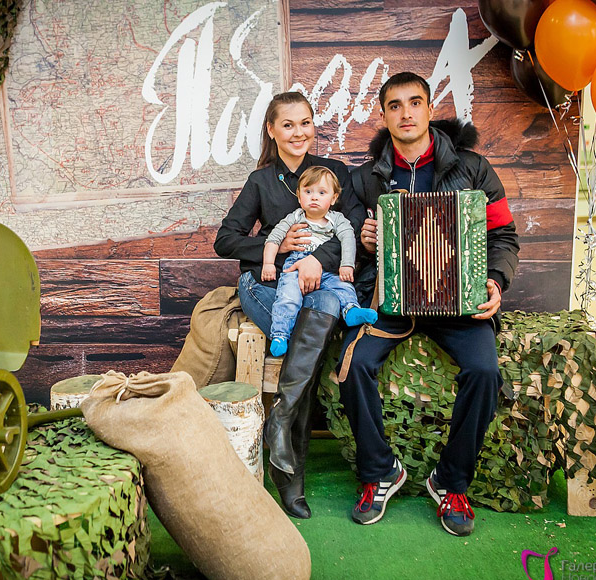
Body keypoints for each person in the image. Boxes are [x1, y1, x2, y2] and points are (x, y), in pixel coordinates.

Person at [341, 72, 520, 536]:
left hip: (456, 302)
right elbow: (351, 245)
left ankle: (450, 482)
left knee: (485, 372)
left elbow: (503, 234)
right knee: (353, 364)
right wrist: (366, 242)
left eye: (415, 102)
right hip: (392, 302)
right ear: (384, 115)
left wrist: (495, 281)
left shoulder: (473, 167)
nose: (406, 113)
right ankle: (380, 471)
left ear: (429, 108)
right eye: (395, 105)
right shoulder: (364, 179)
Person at [214, 91, 361, 519]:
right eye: (288, 124)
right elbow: (225, 240)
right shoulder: (261, 181)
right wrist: (276, 246)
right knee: (307, 336)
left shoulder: (334, 173)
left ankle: (279, 428)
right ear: (272, 130)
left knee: (323, 310)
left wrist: (318, 258)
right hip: (267, 285)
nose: (299, 132)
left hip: (318, 285)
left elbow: (353, 228)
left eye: (305, 123)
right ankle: (290, 474)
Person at [262, 166, 377, 357]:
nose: (314, 197)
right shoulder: (294, 218)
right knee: (288, 297)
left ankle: (351, 311)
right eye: (308, 192)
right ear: (299, 196)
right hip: (295, 267)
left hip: (328, 268)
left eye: (322, 193)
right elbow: (273, 239)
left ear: (333, 198)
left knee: (343, 286)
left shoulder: (337, 219)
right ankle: (280, 334)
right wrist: (268, 264)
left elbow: (348, 239)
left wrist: (346, 264)